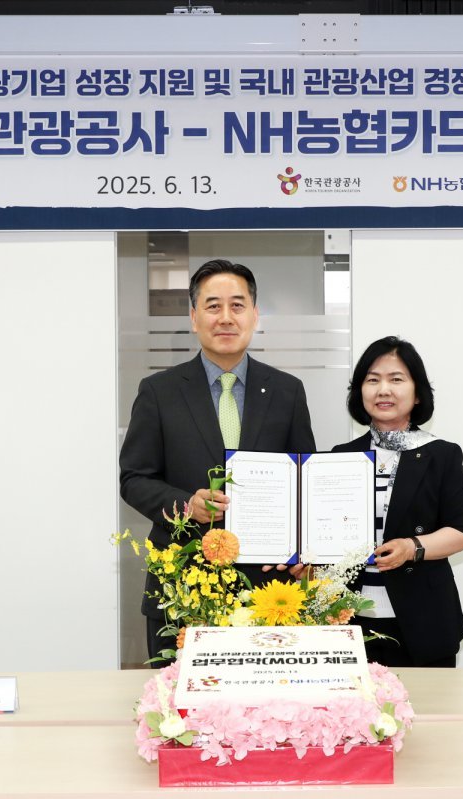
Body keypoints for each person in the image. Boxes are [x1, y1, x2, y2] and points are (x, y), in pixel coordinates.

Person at [120, 259, 316, 662]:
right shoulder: (159, 391)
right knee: (178, 698)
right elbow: (134, 478)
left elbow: (305, 483)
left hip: (267, 588)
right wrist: (185, 505)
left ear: (254, 315)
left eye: (237, 305)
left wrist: (303, 551)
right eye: (213, 306)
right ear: (194, 317)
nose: (226, 317)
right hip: (181, 586)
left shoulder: (287, 391)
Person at [332, 336, 463, 667]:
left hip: (422, 619)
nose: (384, 390)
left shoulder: (442, 455)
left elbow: (461, 532)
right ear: (360, 391)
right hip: (349, 619)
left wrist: (412, 547)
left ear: (417, 392)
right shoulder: (340, 456)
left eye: (396, 379)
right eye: (372, 380)